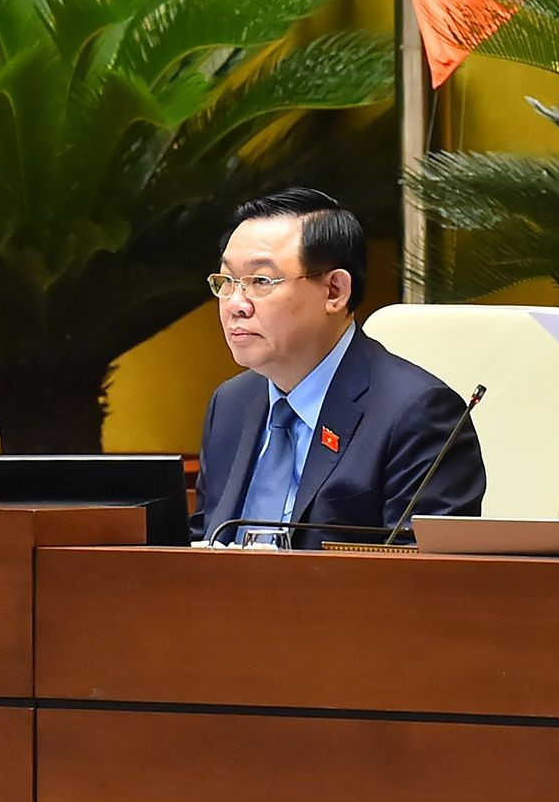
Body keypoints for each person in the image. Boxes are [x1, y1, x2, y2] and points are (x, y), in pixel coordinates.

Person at [191, 188, 485, 547]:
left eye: (260, 281)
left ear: (334, 291)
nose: (235, 304)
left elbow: (423, 579)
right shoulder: (231, 404)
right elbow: (198, 543)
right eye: (226, 282)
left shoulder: (418, 414)